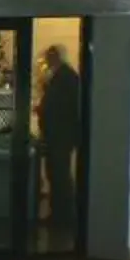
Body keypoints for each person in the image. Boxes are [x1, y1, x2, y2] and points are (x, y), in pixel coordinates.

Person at [36, 44, 84, 225]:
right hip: (59, 133)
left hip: (60, 134)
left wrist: (43, 110)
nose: (47, 61)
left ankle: (61, 216)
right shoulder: (65, 76)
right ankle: (60, 214)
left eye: (49, 57)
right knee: (57, 173)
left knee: (58, 174)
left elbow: (59, 107)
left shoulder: (64, 77)